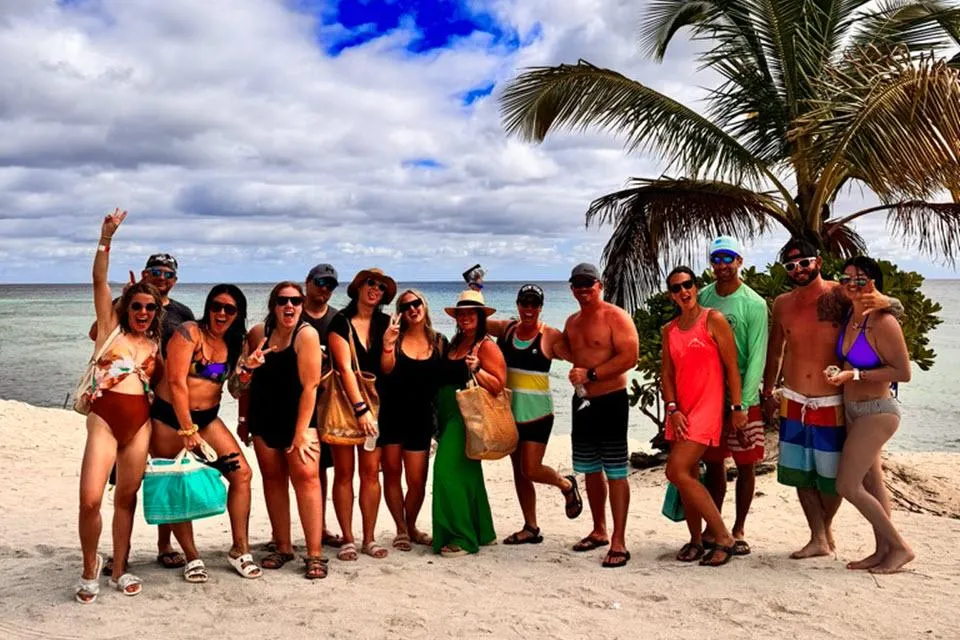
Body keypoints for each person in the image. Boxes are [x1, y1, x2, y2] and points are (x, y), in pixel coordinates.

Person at [763, 237, 901, 559]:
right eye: (791, 266)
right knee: (800, 472)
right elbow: (775, 352)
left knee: (831, 477)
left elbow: (888, 307)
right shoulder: (782, 303)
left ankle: (827, 532)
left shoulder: (840, 295)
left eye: (804, 263)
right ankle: (819, 537)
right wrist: (768, 391)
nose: (798, 269)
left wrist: (889, 304)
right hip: (793, 399)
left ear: (818, 262)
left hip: (833, 401)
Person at [88, 252, 194, 573]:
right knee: (125, 486)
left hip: (163, 405)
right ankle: (123, 555)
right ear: (146, 274)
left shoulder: (183, 313)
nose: (162, 278)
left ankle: (165, 545)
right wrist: (125, 299)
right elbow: (98, 333)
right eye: (156, 272)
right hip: (126, 405)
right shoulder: (131, 304)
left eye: (168, 274)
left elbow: (191, 355)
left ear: (175, 280)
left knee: (165, 474)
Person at [76, 209, 161, 602]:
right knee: (91, 498)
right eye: (137, 306)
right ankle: (89, 566)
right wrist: (105, 237)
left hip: (139, 426)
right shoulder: (110, 330)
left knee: (126, 498)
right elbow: (99, 279)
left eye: (150, 308)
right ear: (126, 308)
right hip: (105, 422)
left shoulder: (157, 345)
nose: (143, 313)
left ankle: (120, 569)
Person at [149, 284, 261, 582]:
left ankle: (240, 548)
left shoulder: (237, 343)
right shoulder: (189, 332)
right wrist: (186, 428)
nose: (221, 313)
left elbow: (236, 390)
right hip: (169, 418)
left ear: (238, 315)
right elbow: (176, 382)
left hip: (208, 419)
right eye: (216, 306)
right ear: (208, 307)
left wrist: (247, 371)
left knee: (242, 474)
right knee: (176, 482)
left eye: (229, 309)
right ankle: (192, 556)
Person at [825, 257, 913, 573]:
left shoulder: (883, 321)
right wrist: (841, 373)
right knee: (874, 486)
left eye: (860, 279)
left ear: (873, 283)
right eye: (846, 277)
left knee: (846, 486)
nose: (851, 283)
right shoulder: (851, 315)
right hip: (854, 412)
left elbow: (903, 373)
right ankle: (883, 551)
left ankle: (901, 547)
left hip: (878, 412)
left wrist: (856, 376)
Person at [236, 282, 327, 579]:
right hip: (264, 418)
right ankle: (284, 546)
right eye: (283, 301)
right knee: (273, 481)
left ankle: (315, 553)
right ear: (274, 304)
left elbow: (311, 387)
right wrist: (243, 419)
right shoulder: (258, 333)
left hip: (298, 419)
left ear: (302, 305)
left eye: (296, 301)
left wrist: (301, 432)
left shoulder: (306, 334)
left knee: (307, 480)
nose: (290, 306)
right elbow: (244, 380)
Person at [485, 284, 582, 545]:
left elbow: (578, 355)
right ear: (518, 305)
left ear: (541, 307)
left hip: (538, 413)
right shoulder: (506, 329)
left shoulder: (549, 336)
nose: (529, 309)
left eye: (534, 304)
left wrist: (591, 375)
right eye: (525, 303)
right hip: (509, 412)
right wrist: (475, 288)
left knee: (531, 468)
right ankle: (530, 526)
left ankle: (566, 485)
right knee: (519, 471)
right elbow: (476, 320)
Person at [661, 266, 743, 567]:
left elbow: (732, 368)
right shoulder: (669, 331)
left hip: (707, 409)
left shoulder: (714, 320)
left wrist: (738, 407)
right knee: (689, 476)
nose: (684, 292)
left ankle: (723, 536)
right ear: (671, 295)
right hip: (680, 411)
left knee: (676, 471)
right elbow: (666, 375)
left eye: (688, 285)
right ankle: (696, 540)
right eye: (676, 288)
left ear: (696, 287)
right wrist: (672, 409)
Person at [562, 263, 639, 568]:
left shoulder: (615, 317)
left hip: (611, 401)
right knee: (590, 469)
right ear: (572, 288)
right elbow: (563, 349)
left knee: (616, 471)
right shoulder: (572, 321)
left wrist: (591, 373)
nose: (583, 288)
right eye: (577, 284)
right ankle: (599, 530)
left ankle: (619, 539)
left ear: (600, 285)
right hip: (582, 403)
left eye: (588, 283)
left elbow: (630, 356)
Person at [697, 237, 768, 555]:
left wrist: (744, 403)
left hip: (743, 399)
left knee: (746, 464)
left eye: (728, 258)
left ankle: (739, 528)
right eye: (716, 259)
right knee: (713, 464)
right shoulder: (703, 297)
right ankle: (715, 526)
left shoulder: (753, 303)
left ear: (739, 260)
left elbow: (756, 357)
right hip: (710, 397)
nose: (722, 265)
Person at [327, 268, 396, 561]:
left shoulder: (385, 323)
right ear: (358, 287)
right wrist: (361, 410)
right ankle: (348, 539)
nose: (375, 289)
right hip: (347, 406)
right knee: (344, 474)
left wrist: (390, 344)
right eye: (370, 283)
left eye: (380, 287)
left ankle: (369, 538)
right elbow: (343, 370)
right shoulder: (340, 322)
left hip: (380, 407)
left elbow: (388, 370)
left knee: (370, 474)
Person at [432, 290, 504, 557]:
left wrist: (478, 369)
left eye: (470, 313)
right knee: (469, 475)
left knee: (444, 472)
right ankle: (483, 531)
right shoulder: (454, 343)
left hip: (466, 417)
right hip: (448, 415)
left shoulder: (486, 346)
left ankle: (462, 537)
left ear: (480, 317)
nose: (464, 318)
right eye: (461, 313)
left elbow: (499, 385)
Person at [379, 290, 449, 550]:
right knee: (393, 474)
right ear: (401, 312)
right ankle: (401, 529)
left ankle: (411, 525)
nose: (412, 309)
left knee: (417, 480)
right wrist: (387, 343)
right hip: (391, 415)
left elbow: (451, 375)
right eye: (405, 305)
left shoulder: (440, 342)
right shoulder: (395, 340)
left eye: (416, 303)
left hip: (421, 419)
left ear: (424, 305)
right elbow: (385, 369)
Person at [302, 263, 344, 548]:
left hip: (329, 405)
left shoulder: (337, 319)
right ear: (308, 282)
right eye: (320, 282)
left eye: (330, 285)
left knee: (322, 468)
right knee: (292, 469)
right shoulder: (292, 312)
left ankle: (322, 526)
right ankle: (277, 533)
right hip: (295, 403)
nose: (325, 289)